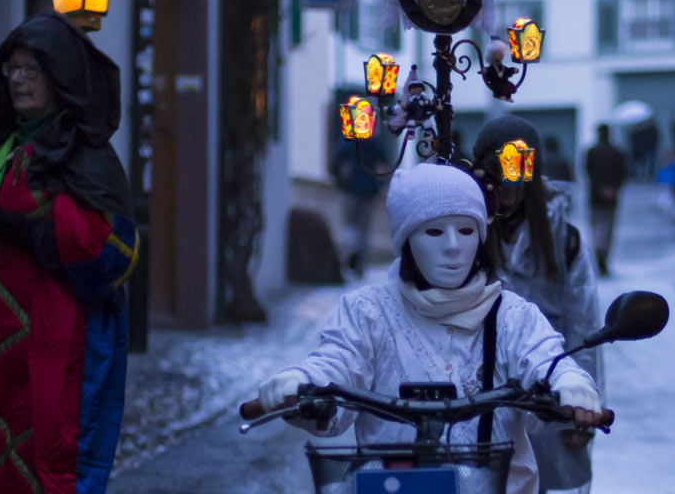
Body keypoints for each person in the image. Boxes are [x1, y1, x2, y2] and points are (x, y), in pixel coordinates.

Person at [256, 162, 601, 494]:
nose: (452, 245)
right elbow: (339, 361)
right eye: (434, 230)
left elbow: (543, 358)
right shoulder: (368, 312)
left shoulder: (511, 315)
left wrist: (567, 382)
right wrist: (304, 382)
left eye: (466, 230)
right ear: (407, 240)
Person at [0, 12, 139, 493]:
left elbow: (105, 251)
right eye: (12, 69)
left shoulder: (87, 157)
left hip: (53, 351)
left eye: (32, 70)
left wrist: (3, 223)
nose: (18, 80)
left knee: (43, 471)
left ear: (58, 75)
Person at [471, 116, 601, 494]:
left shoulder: (564, 239)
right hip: (479, 399)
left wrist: (582, 405)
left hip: (549, 395)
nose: (509, 181)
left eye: (519, 166)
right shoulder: (464, 231)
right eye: (499, 167)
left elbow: (584, 325)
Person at [332, 136, 386, 276]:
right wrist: (378, 186)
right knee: (363, 229)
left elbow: (338, 165)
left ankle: (349, 258)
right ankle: (359, 265)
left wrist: (341, 183)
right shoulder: (374, 144)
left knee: (350, 226)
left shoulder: (347, 143)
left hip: (350, 190)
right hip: (368, 191)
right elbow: (382, 167)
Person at [584, 124, 626, 277]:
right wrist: (613, 189)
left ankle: (599, 256)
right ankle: (604, 260)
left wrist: (600, 188)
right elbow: (623, 173)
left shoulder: (591, 152)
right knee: (608, 230)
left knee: (596, 230)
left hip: (595, 197)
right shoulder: (617, 152)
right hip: (611, 198)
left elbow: (588, 172)